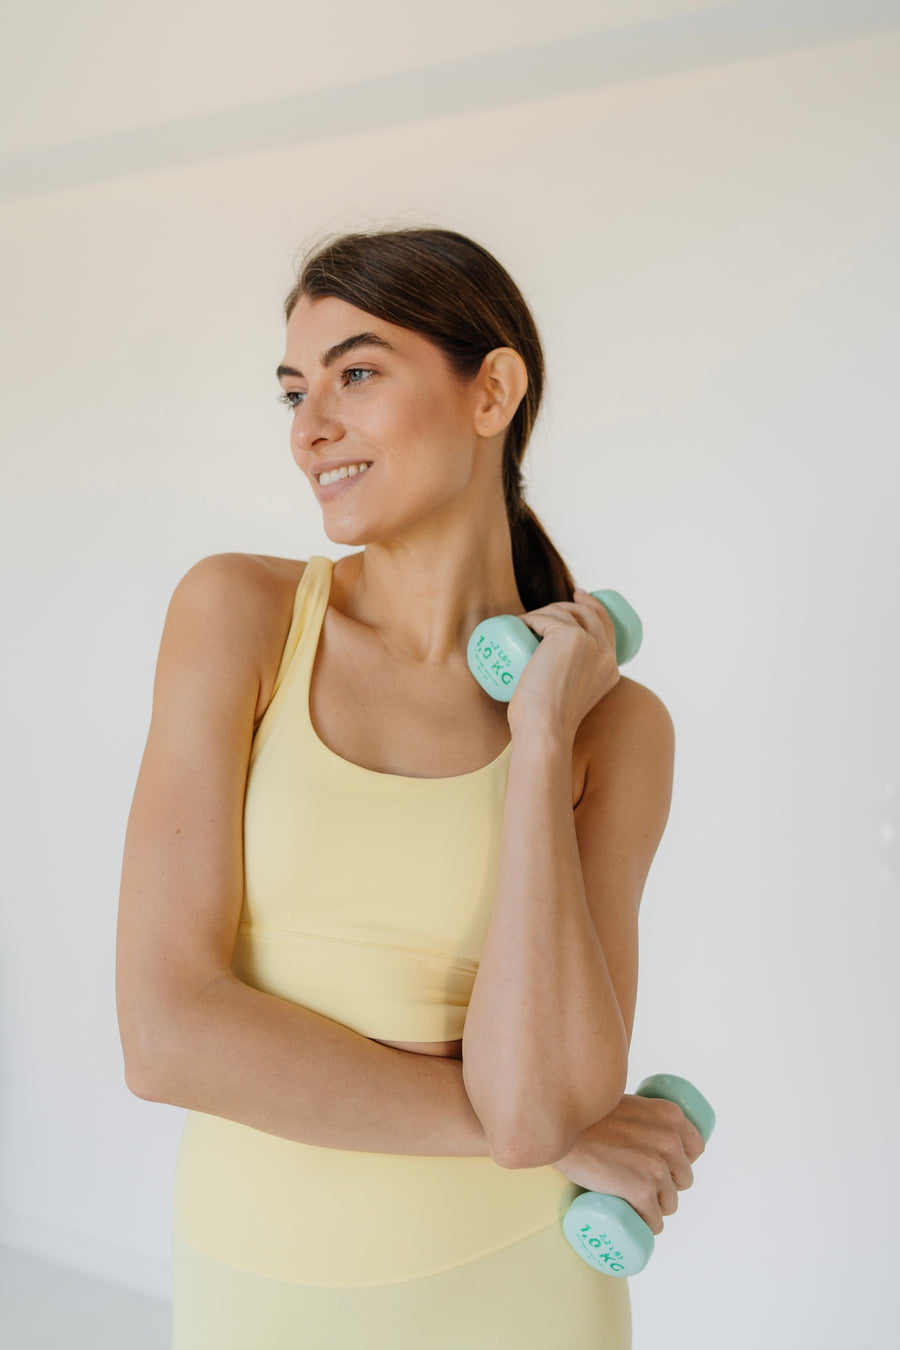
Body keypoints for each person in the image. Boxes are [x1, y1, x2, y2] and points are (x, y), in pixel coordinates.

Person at [116, 226, 703, 1348]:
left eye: (358, 372)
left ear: (493, 391)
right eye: (295, 390)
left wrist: (537, 741)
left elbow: (551, 1094)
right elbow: (166, 1033)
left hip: (519, 1287)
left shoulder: (615, 731)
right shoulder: (237, 617)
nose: (310, 428)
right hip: (260, 1281)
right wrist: (541, 1135)